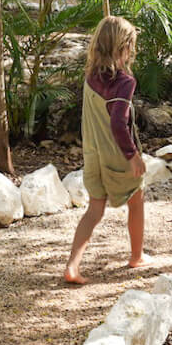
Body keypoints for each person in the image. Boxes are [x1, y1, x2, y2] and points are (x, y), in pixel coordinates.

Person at [64, 15, 147, 284]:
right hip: (116, 156)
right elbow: (118, 124)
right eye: (130, 46)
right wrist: (132, 156)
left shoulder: (91, 77)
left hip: (92, 155)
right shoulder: (124, 83)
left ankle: (72, 266)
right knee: (136, 199)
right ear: (123, 47)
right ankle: (137, 256)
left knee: (94, 210)